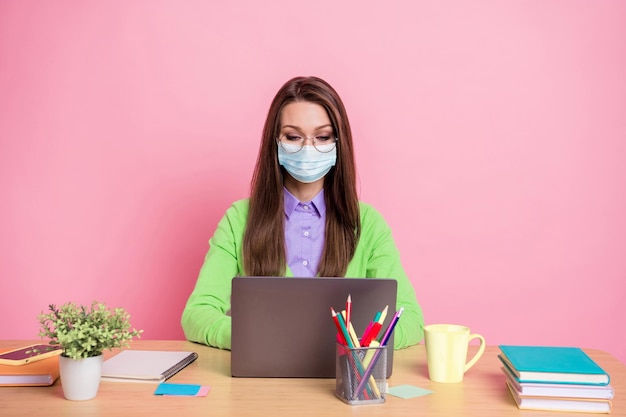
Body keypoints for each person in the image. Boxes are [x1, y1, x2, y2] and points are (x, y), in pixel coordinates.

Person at [181, 76, 424, 350]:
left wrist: (354, 343)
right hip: (260, 382)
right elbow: (197, 314)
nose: (308, 148)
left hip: (341, 379)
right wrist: (257, 335)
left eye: (322, 137)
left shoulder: (367, 223)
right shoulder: (239, 219)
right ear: (276, 141)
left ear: (338, 142)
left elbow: (410, 319)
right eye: (294, 136)